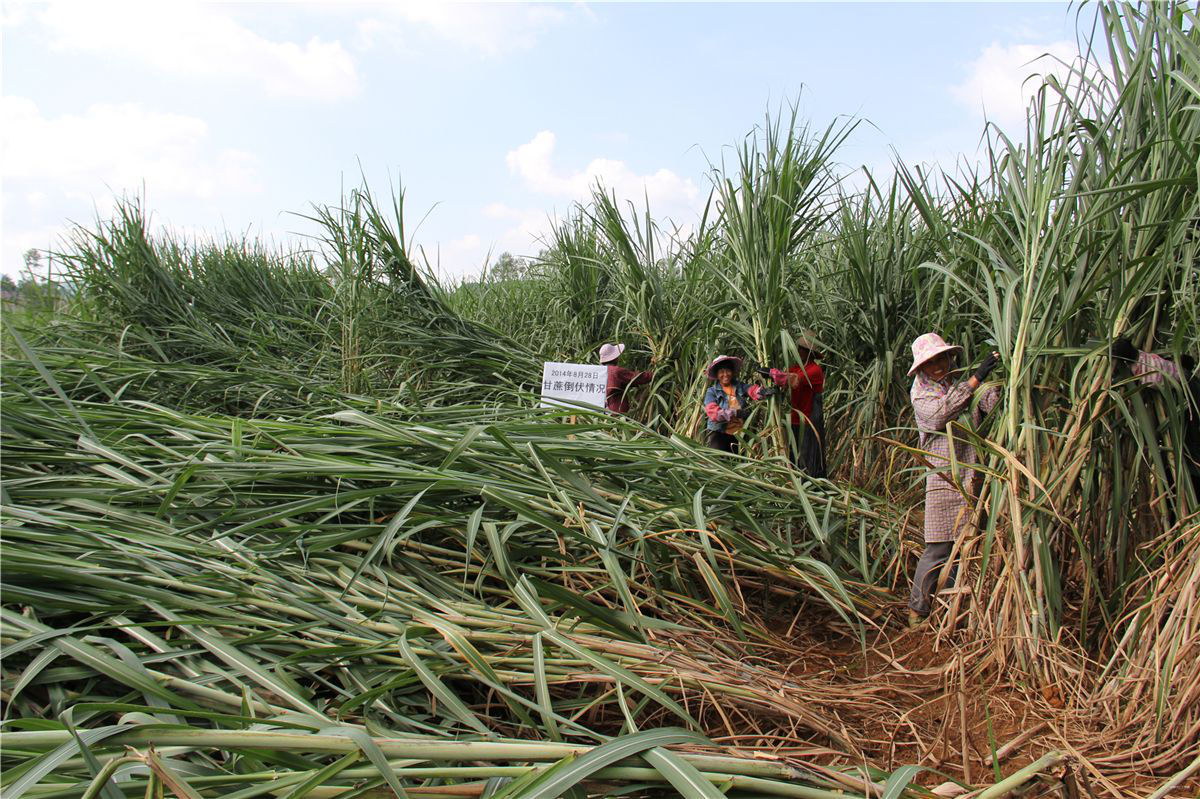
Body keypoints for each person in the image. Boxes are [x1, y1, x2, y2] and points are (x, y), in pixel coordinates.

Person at [906, 332, 1002, 627]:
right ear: (921, 367)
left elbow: (988, 404)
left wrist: (993, 383)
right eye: (931, 362)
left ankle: (953, 610)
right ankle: (918, 611)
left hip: (970, 475)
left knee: (965, 545)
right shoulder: (921, 393)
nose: (938, 365)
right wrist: (975, 379)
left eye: (942, 358)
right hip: (943, 477)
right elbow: (939, 415)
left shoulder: (954, 383)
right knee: (938, 547)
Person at [757, 332, 826, 477]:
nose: (798, 351)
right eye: (798, 348)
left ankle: (812, 487)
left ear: (809, 353)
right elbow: (784, 377)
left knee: (809, 455)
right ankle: (796, 483)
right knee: (796, 454)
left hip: (809, 420)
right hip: (796, 418)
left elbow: (793, 380)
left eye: (801, 349)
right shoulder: (796, 367)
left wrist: (771, 373)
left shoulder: (814, 370)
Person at [703, 354, 776, 453]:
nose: (725, 374)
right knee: (718, 463)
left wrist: (761, 391)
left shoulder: (739, 386)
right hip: (719, 434)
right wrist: (736, 413)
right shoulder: (711, 392)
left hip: (738, 434)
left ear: (732, 372)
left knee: (736, 464)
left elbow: (751, 390)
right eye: (721, 372)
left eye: (728, 370)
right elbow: (713, 413)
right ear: (717, 374)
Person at [599, 343, 653, 414]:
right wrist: (654, 372)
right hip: (617, 412)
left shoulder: (599, 372)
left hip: (602, 412)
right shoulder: (616, 371)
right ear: (615, 358)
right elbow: (638, 378)